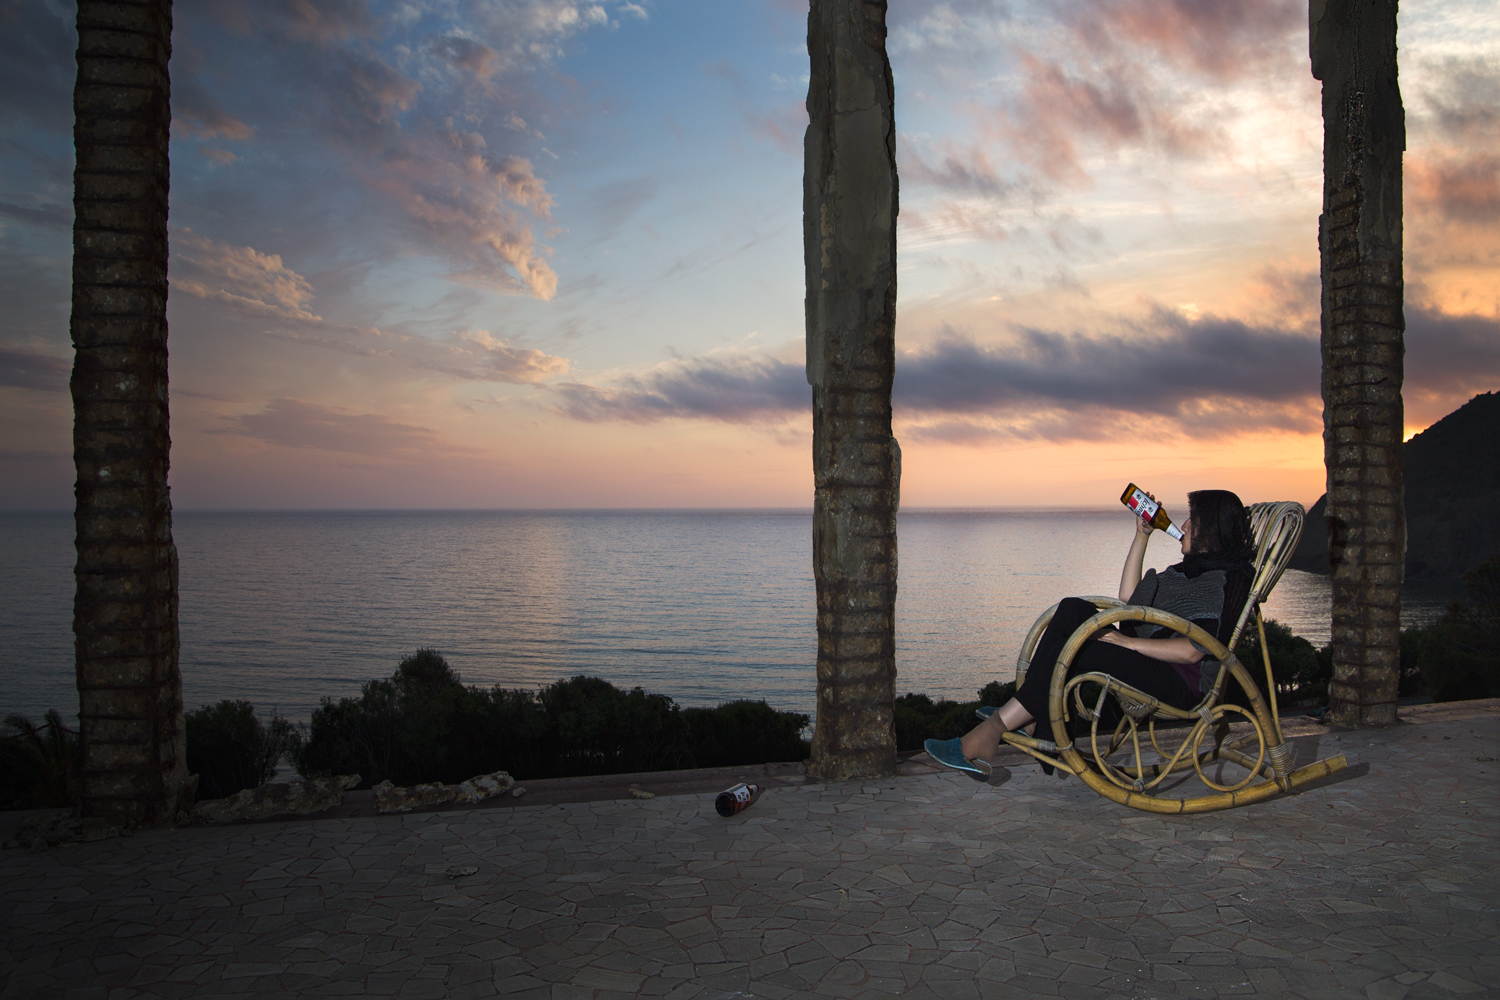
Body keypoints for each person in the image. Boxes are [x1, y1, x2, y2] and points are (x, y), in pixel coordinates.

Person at [925, 490, 1256, 780]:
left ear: (1211, 531)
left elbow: (1194, 651)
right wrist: (1142, 535)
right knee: (1073, 609)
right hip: (1150, 660)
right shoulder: (1187, 572)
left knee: (1082, 650)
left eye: (1193, 521)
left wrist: (1127, 643)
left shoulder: (1225, 581)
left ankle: (992, 732)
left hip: (1181, 682)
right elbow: (1129, 603)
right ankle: (1039, 719)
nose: (1184, 526)